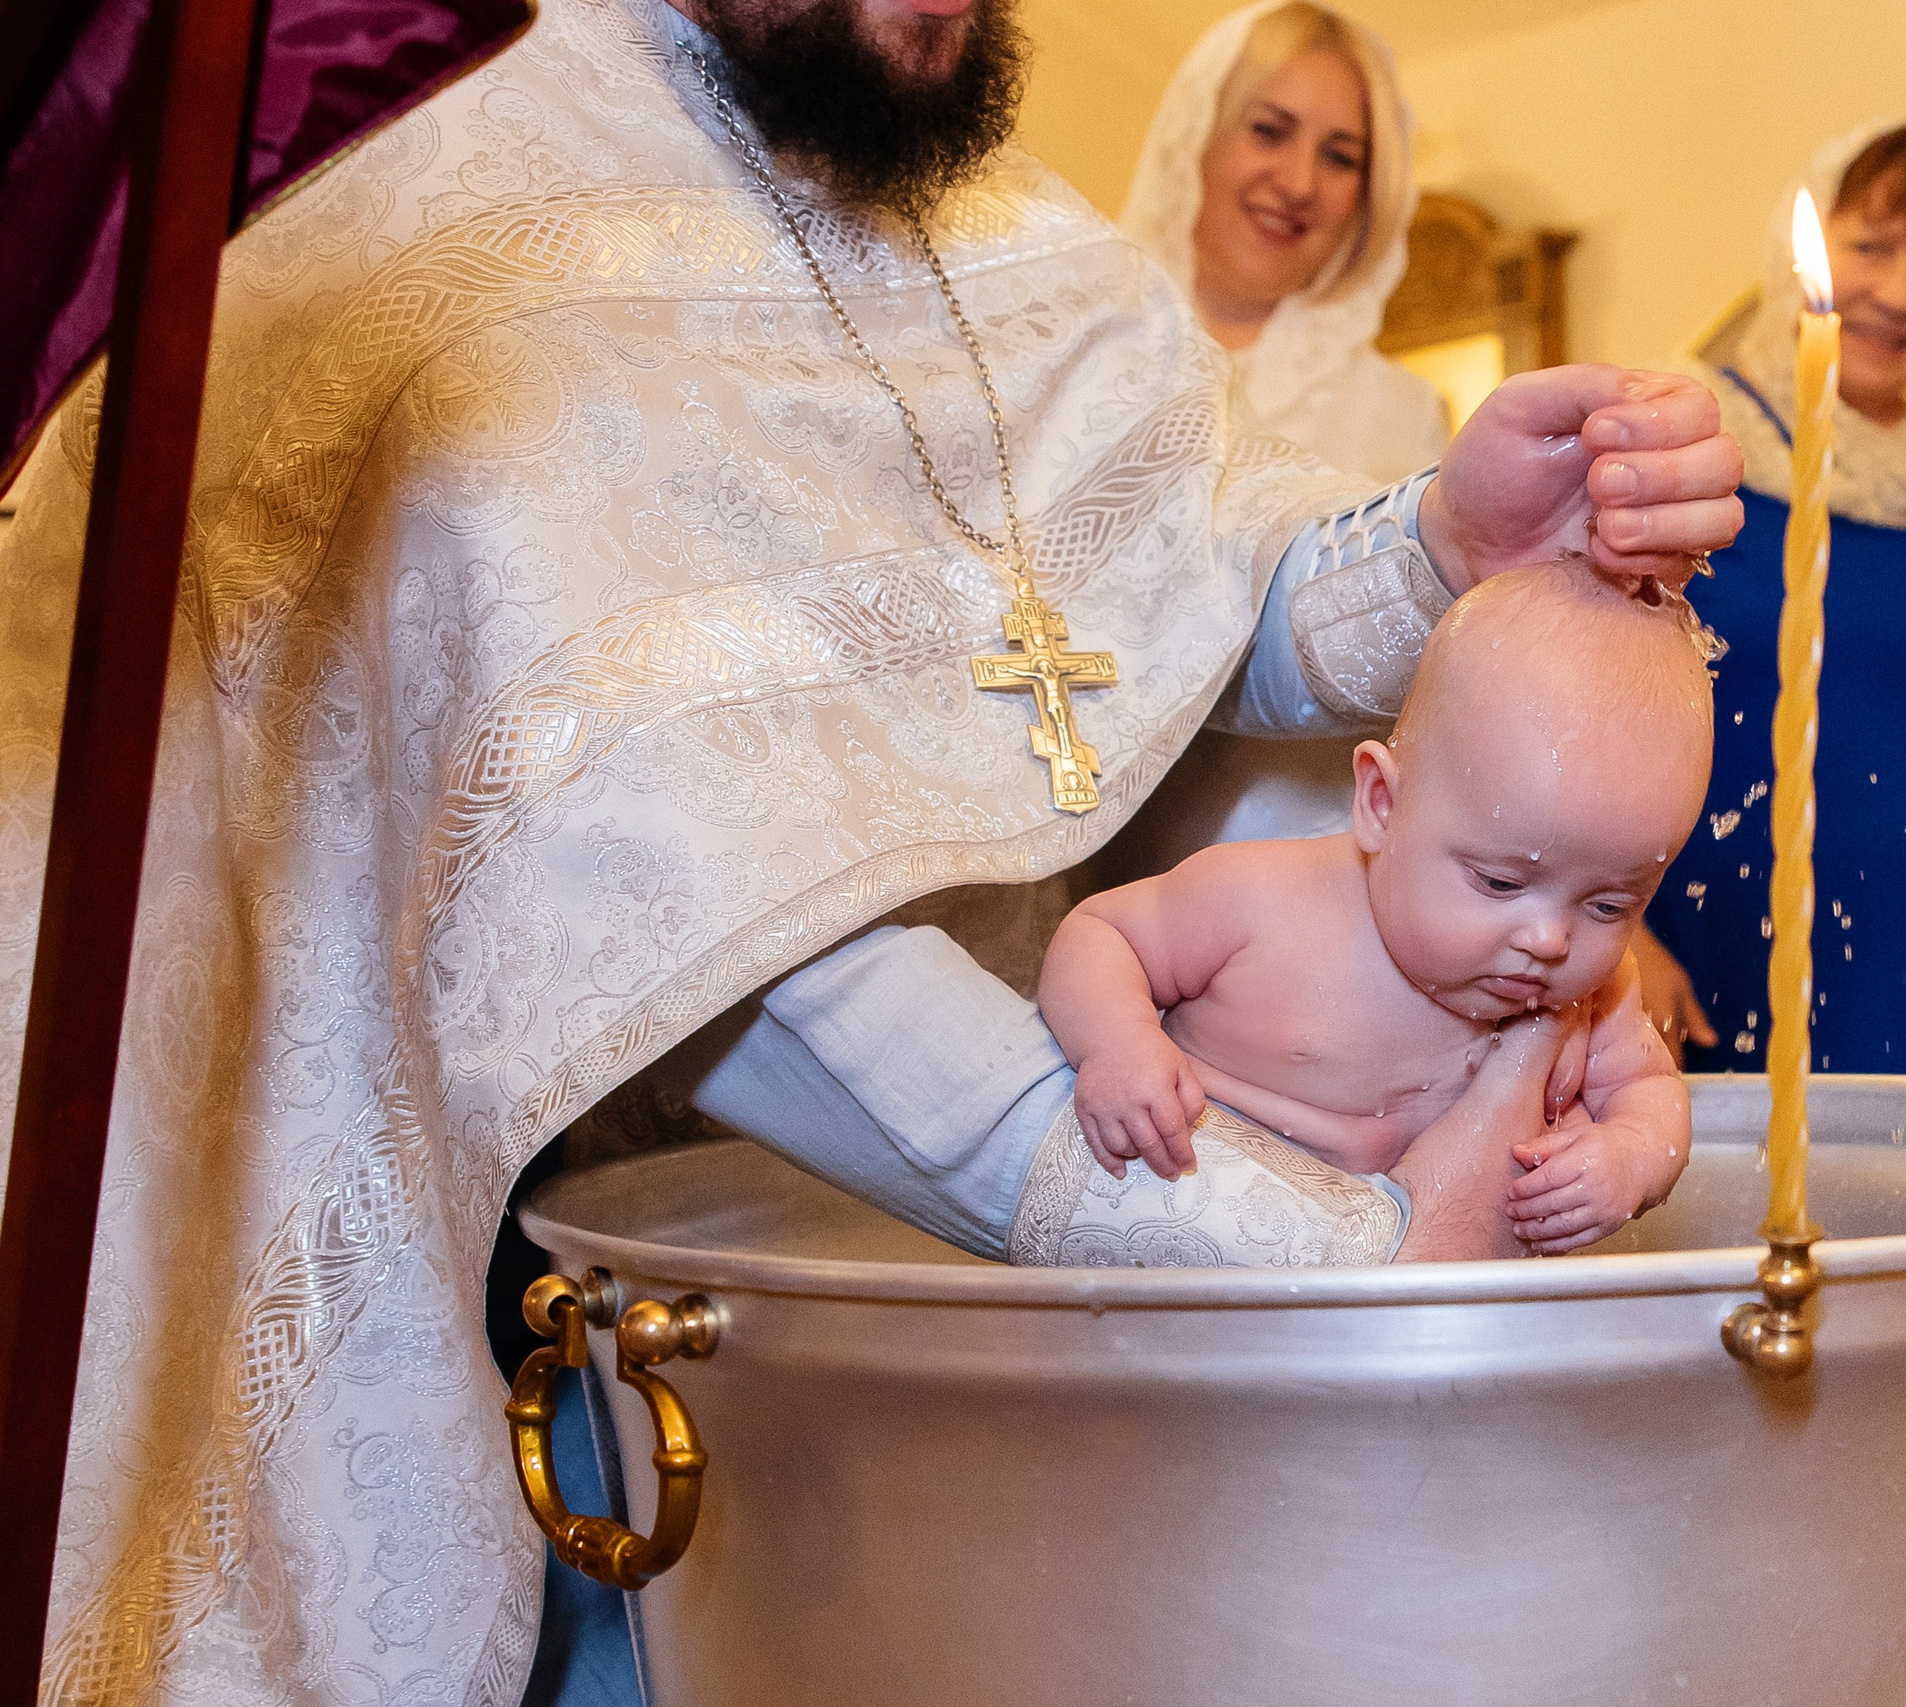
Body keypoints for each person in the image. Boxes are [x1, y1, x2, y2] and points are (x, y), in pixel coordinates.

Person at [0, 0, 1745, 1698]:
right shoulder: (437, 191)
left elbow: (1175, 615)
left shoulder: (1014, 234)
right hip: (546, 1319)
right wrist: (1340, 1247)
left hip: (968, 1315)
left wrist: (1447, 544)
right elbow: (712, 924)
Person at [1039, 562, 1711, 1255]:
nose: (1549, 938)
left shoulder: (1601, 990)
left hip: (1430, 1315)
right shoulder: (1260, 902)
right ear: (1381, 805)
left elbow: (1654, 1093)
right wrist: (1118, 1043)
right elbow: (1098, 933)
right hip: (1212, 1254)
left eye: (1607, 904)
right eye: (1498, 883)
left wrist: (1630, 1158)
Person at [1642, 121, 1906, 1080]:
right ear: (1800, 254)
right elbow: (1589, 700)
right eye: (1869, 245)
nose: (1897, 291)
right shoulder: (1692, 444)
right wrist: (1620, 937)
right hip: (1700, 932)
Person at [1111, 1, 1449, 852]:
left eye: (1341, 156)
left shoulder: (1403, 412)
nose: (1299, 183)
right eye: (1269, 130)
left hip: (1311, 870)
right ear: (1200, 134)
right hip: (1081, 856)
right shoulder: (1086, 356)